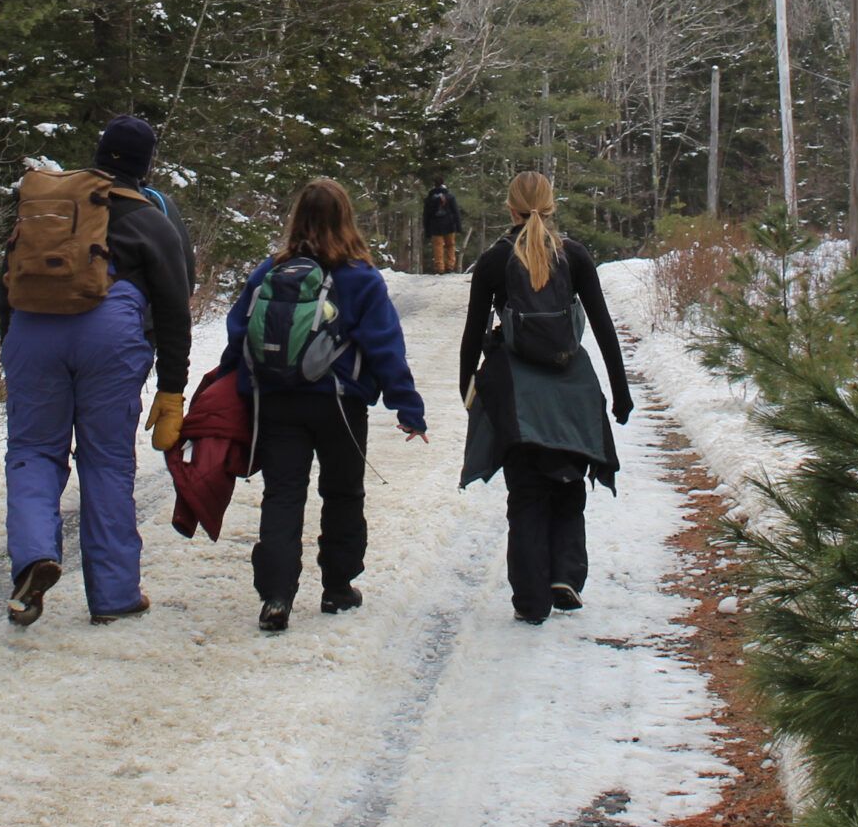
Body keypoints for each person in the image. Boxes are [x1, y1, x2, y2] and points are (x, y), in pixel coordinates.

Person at [0, 115, 192, 627]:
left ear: (100, 152)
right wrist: (172, 389)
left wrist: (11, 350)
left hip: (31, 331)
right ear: (146, 166)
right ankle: (113, 594)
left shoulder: (48, 210)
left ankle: (35, 556)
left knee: (33, 450)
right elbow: (174, 309)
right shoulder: (152, 219)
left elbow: (7, 283)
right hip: (108, 336)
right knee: (106, 461)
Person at [225, 177, 428, 633]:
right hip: (338, 404)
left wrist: (228, 384)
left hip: (276, 401)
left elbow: (239, 332)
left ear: (297, 217)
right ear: (346, 218)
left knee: (282, 495)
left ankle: (276, 596)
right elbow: (384, 347)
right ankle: (337, 588)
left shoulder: (268, 272)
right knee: (342, 493)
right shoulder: (360, 277)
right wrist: (406, 406)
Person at [458, 170, 633, 624]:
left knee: (527, 496)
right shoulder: (574, 257)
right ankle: (566, 577)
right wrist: (620, 393)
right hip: (572, 391)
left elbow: (473, 333)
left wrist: (468, 393)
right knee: (568, 485)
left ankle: (531, 600)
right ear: (552, 206)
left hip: (518, 397)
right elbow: (602, 327)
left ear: (510, 209)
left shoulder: (494, 262)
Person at [422, 180, 463, 274]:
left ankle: (439, 268)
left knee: (438, 246)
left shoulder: (429, 199)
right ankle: (450, 266)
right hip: (449, 225)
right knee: (450, 245)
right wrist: (458, 226)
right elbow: (456, 212)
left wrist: (427, 230)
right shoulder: (450, 197)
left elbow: (426, 216)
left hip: (435, 226)